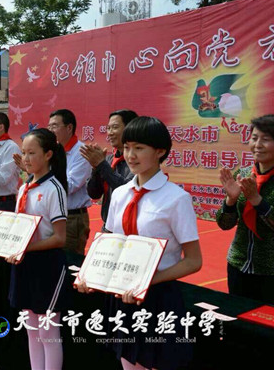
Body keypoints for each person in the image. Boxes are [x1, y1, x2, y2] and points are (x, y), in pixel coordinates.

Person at [77, 116, 203, 370]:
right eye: (127, 148)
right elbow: (111, 241)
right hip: (120, 294)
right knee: (127, 361)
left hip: (158, 297)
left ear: (160, 151)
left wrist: (147, 282)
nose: (131, 155)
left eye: (139, 148)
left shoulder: (177, 199)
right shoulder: (120, 193)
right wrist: (89, 274)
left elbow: (193, 261)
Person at [217, 114, 274, 311]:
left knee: (272, 327)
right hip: (238, 265)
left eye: (265, 139)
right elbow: (224, 224)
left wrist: (257, 200)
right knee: (237, 322)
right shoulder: (243, 174)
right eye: (254, 138)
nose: (257, 145)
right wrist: (230, 201)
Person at [5, 128, 68, 370]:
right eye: (24, 153)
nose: (26, 158)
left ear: (48, 154)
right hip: (24, 262)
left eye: (32, 153)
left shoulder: (54, 189)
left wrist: (26, 248)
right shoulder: (24, 188)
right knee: (31, 329)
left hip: (47, 266)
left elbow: (59, 238)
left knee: (47, 332)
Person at [83, 109, 138, 230]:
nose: (110, 133)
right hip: (107, 228)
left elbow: (127, 191)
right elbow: (94, 194)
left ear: (130, 128)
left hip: (130, 229)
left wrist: (101, 165)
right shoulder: (108, 159)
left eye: (115, 127)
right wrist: (96, 169)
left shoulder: (137, 161)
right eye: (108, 128)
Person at [47, 109, 92, 255]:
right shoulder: (53, 151)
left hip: (72, 218)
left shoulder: (81, 152)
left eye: (54, 126)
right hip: (52, 214)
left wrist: (44, 178)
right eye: (49, 126)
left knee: (70, 261)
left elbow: (70, 186)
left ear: (69, 127)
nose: (50, 130)